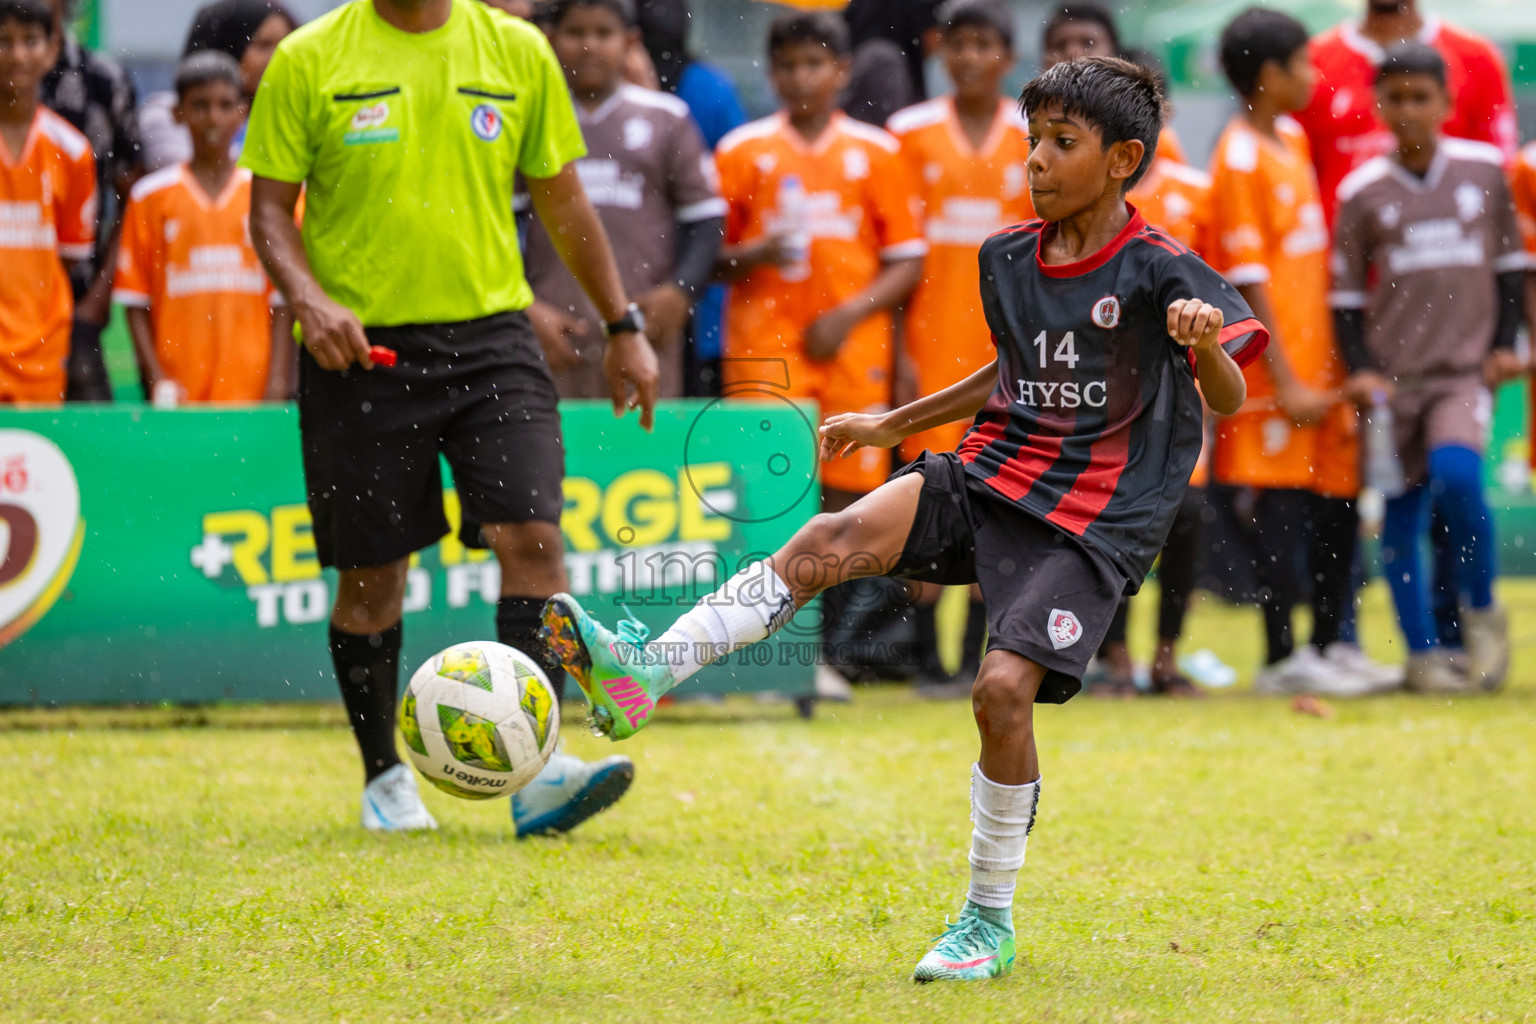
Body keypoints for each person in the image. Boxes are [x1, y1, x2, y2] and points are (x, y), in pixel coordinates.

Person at [540, 55, 1266, 982]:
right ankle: (644, 675)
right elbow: (1009, 373)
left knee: (1001, 693)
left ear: (1124, 160)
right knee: (823, 542)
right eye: (1032, 139)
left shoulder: (1164, 269)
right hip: (995, 470)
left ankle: (987, 920)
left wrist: (1203, 348)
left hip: (1093, 518)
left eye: (1062, 144)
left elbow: (1232, 397)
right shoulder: (1007, 254)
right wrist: (898, 422)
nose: (1036, 160)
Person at [242, 0, 659, 835]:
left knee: (534, 538)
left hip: (493, 343)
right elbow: (267, 213)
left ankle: (535, 775)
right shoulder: (309, 57)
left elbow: (564, 198)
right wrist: (309, 298)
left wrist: (623, 326)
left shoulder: (516, 51)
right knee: (372, 582)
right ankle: (384, 778)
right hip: (359, 354)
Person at [1207, 7, 1391, 697]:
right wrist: (1283, 380)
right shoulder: (1239, 156)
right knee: (1280, 516)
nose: (1314, 77)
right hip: (1277, 382)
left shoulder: (1287, 137)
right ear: (1270, 75)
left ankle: (1327, 645)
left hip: (1324, 373)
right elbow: (1249, 281)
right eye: (1302, 65)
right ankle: (1282, 656)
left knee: (1337, 508)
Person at [1329, 43, 1522, 692]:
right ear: (1378, 105)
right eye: (1396, 98)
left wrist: (1504, 343)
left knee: (1458, 477)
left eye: (1421, 97)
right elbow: (1347, 298)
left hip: (1461, 374)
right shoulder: (1362, 192)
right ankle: (1423, 654)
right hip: (1392, 383)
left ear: (1445, 103)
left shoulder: (1485, 172)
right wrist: (1359, 369)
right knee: (1402, 515)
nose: (1408, 110)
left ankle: (1483, 610)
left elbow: (1510, 267)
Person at [714, 12, 926, 513]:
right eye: (788, 65)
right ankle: (776, 593)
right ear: (771, 72)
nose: (801, 77)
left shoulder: (878, 152)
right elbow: (708, 259)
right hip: (763, 346)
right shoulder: (740, 150)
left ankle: (842, 594)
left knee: (850, 495)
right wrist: (758, 253)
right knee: (768, 495)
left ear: (843, 70)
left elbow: (908, 261)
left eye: (815, 63)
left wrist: (846, 317)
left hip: (851, 346)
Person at [886, 0, 1031, 693]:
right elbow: (893, 252)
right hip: (928, 348)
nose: (970, 57)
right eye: (959, 44)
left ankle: (980, 650)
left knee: (999, 505)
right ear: (938, 51)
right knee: (924, 504)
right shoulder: (906, 135)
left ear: (1007, 56)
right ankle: (921, 656)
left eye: (985, 45)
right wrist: (898, 351)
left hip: (1004, 357)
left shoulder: (1036, 139)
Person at [524, 0, 724, 400]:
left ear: (631, 41)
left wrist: (680, 291)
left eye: (603, 34)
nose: (589, 46)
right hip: (554, 332)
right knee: (554, 451)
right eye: (576, 33)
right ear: (550, 39)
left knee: (645, 453)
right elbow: (499, 223)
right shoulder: (532, 116)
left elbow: (706, 219)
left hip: (644, 327)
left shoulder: (666, 117)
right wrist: (527, 308)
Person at [113, 53, 292, 405]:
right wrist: (156, 377)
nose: (213, 117)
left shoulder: (264, 193)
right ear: (178, 114)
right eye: (200, 106)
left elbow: (282, 301)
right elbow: (136, 299)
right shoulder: (150, 196)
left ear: (242, 112)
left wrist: (278, 381)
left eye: (225, 105)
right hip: (179, 388)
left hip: (252, 388)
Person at [1293, 0, 1516, 230]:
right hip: (1343, 255)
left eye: (1420, 99)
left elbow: (1500, 174)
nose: (1407, 112)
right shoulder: (1309, 66)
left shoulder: (1477, 58)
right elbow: (1294, 181)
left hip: (1452, 252)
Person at [634, 0, 746, 398]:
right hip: (669, 270)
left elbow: (725, 194)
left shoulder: (707, 88)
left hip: (690, 277)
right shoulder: (709, 86)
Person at [38, 0, 138, 402]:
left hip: (79, 304)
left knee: (93, 444)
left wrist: (99, 296)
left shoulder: (104, 79)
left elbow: (134, 196)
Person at [0, 0, 96, 403]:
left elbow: (71, 253)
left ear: (52, 48)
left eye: (30, 40)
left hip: (42, 350)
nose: (17, 54)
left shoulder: (72, 150)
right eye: (3, 41)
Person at [139, 0, 299, 174]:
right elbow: (198, 187)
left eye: (287, 45)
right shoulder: (167, 116)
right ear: (228, 46)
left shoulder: (292, 115)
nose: (278, 57)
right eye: (264, 45)